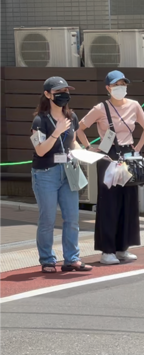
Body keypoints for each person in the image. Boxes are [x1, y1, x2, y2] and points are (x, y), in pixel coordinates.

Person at [77, 70, 144, 265]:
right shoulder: (100, 108)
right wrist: (88, 147)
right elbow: (80, 128)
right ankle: (106, 251)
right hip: (108, 157)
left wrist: (138, 148)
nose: (121, 88)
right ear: (108, 88)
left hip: (128, 156)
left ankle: (122, 248)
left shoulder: (134, 105)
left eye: (123, 84)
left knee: (128, 202)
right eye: (116, 85)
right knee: (109, 204)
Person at [30, 77, 93, 273]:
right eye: (58, 92)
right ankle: (48, 259)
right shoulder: (39, 121)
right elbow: (40, 150)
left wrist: (83, 152)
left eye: (66, 91)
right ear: (48, 95)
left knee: (72, 217)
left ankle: (71, 258)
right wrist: (56, 132)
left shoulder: (71, 117)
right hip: (45, 173)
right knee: (47, 219)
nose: (64, 95)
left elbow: (73, 142)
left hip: (68, 171)